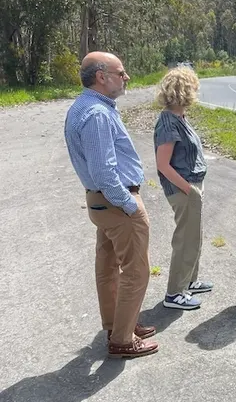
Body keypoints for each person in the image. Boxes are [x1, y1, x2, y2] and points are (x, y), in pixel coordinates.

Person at [64, 51, 158, 358]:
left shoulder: (84, 107)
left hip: (101, 204)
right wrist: (130, 205)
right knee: (136, 271)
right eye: (121, 72)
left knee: (107, 268)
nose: (126, 77)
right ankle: (121, 340)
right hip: (117, 203)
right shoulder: (98, 114)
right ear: (102, 77)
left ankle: (120, 324)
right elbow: (104, 172)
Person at [153, 66, 213, 310]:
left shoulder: (179, 118)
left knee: (195, 237)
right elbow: (163, 165)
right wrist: (189, 189)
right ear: (184, 91)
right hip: (183, 189)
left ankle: (189, 280)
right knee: (185, 240)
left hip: (190, 187)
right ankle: (174, 293)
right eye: (193, 88)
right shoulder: (168, 122)